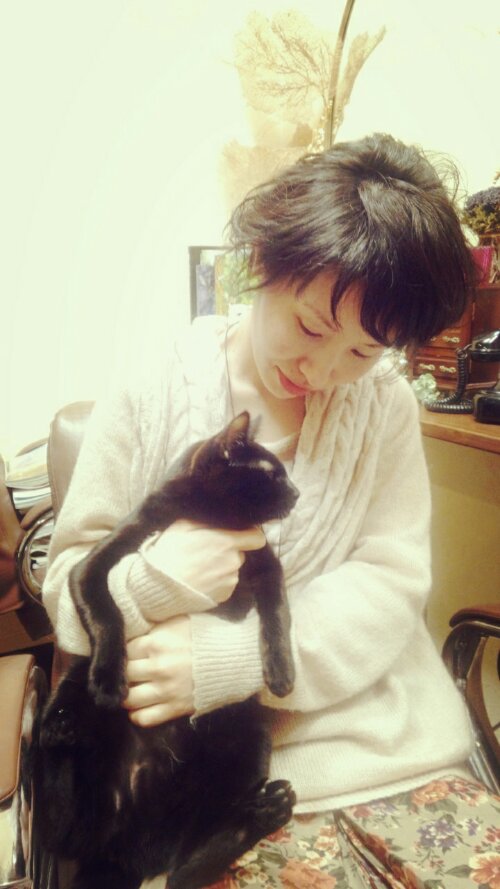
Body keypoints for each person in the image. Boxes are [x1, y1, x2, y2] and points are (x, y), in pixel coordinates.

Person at [43, 133, 499, 888]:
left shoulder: (382, 405)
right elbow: (67, 585)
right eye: (312, 326)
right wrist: (153, 584)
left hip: (388, 744)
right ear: (259, 261)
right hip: (205, 781)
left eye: (364, 351)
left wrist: (235, 659)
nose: (323, 370)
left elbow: (391, 580)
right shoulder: (152, 386)